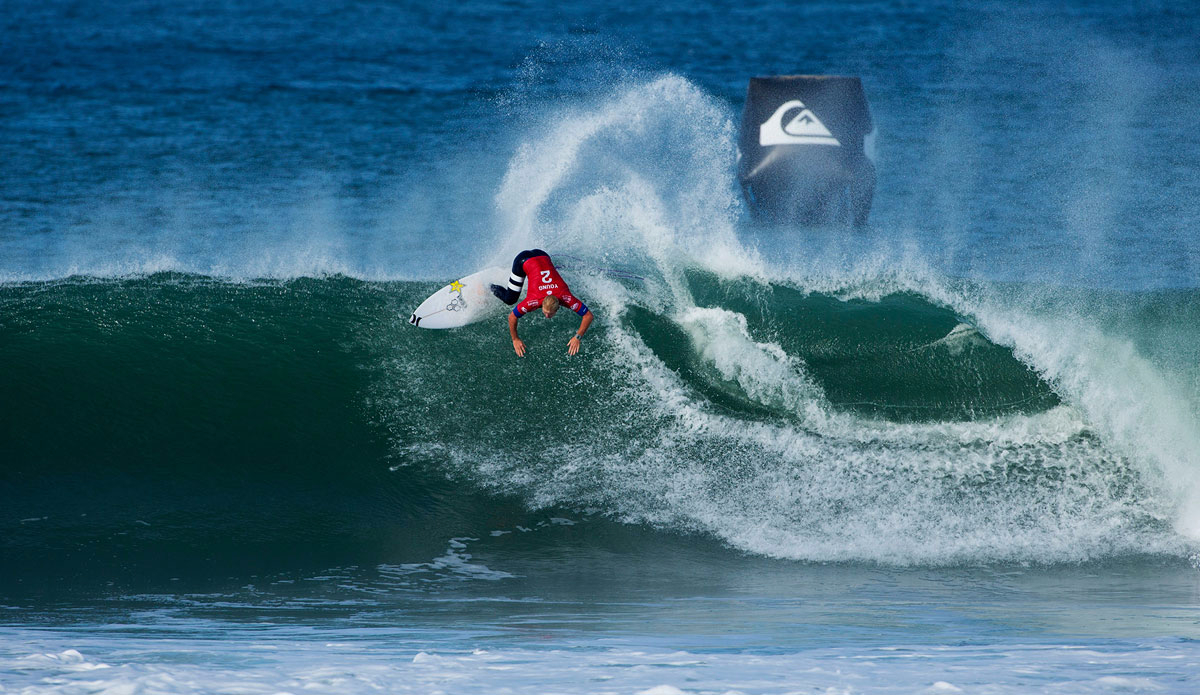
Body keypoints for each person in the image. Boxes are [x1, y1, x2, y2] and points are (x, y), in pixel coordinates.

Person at [490, 249, 592, 357]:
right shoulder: (533, 301)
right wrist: (515, 339)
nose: (547, 316)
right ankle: (489, 286)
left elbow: (588, 315)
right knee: (510, 300)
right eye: (546, 312)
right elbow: (512, 317)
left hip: (543, 255)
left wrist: (577, 337)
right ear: (541, 304)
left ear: (558, 307)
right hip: (523, 260)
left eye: (550, 313)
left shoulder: (565, 297)